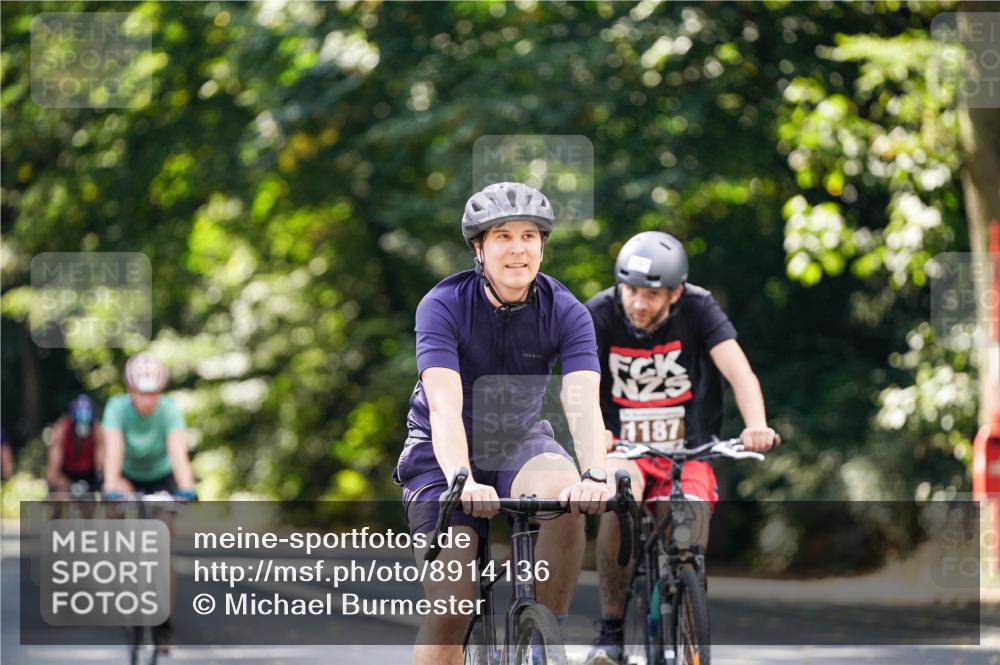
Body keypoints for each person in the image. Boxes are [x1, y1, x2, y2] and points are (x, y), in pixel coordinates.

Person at [393, 182, 611, 665]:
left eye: (529, 236)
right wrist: (461, 477)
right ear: (479, 247)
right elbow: (445, 405)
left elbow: (581, 404)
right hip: (440, 454)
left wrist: (595, 471)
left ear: (541, 245)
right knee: (452, 608)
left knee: (566, 495)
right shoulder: (443, 304)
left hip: (519, 441)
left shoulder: (566, 310)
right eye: (503, 237)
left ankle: (542, 643)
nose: (518, 249)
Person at [584, 231, 778, 665]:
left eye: (651, 294)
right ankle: (611, 632)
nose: (637, 303)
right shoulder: (598, 313)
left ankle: (687, 609)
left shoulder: (699, 307)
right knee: (619, 502)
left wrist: (757, 426)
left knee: (689, 536)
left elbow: (740, 373)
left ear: (674, 293)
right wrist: (595, 434)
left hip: (688, 449)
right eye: (631, 290)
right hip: (624, 448)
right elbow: (578, 389)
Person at [103, 351, 197, 652]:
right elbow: (114, 449)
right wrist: (110, 486)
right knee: (117, 513)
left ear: (161, 392)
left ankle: (163, 624)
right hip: (127, 475)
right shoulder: (116, 408)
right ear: (130, 391)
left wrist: (187, 487)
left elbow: (177, 451)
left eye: (153, 394)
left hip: (160, 477)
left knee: (163, 542)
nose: (147, 401)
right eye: (141, 394)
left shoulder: (169, 410)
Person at [47, 394, 103, 494]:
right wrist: (69, 486)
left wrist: (97, 484)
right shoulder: (61, 430)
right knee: (60, 497)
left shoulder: (97, 431)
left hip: (89, 475)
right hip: (66, 475)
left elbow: (101, 469)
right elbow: (52, 474)